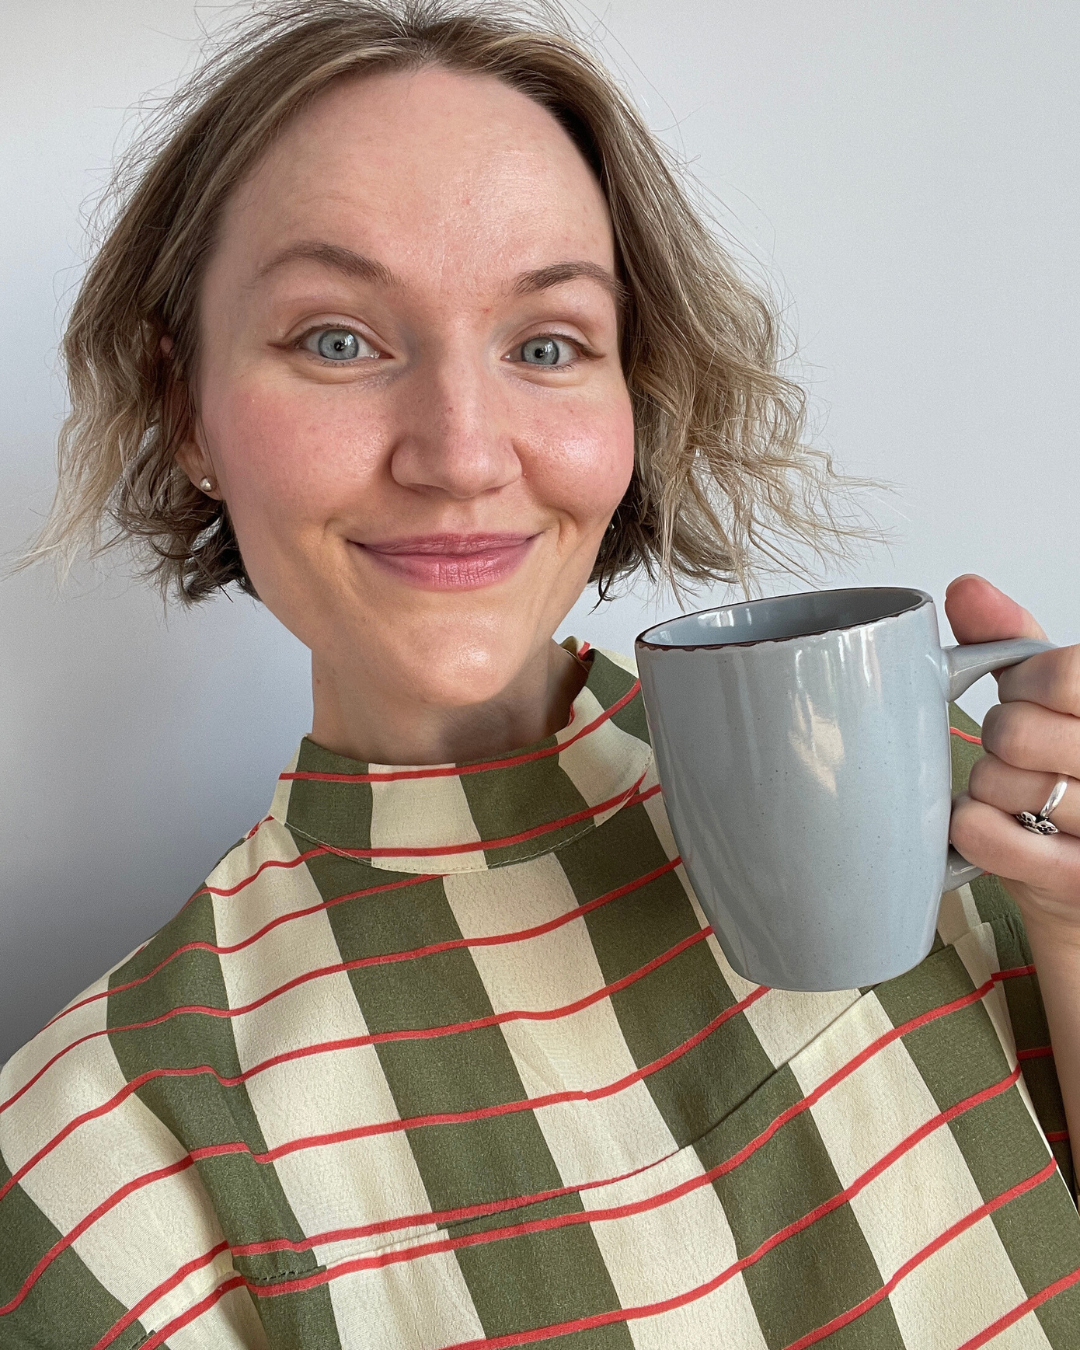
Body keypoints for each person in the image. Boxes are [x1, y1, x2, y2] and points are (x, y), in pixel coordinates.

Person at [2, 2, 1078, 1345]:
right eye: (336, 338)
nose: (461, 453)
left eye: (548, 344)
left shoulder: (965, 813)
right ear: (187, 412)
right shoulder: (100, 1161)